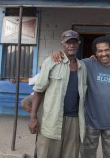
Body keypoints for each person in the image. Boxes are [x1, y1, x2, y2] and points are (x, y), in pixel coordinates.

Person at [52, 36, 110, 158]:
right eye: (100, 51)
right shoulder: (87, 64)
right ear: (95, 53)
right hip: (90, 121)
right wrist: (58, 54)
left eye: (106, 50)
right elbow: (69, 61)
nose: (103, 54)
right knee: (87, 154)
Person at [28, 30, 87, 158]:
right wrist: (33, 118)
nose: (71, 45)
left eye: (74, 42)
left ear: (79, 44)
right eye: (68, 43)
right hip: (51, 119)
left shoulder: (83, 67)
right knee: (47, 154)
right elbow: (38, 91)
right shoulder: (51, 62)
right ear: (62, 44)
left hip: (74, 120)